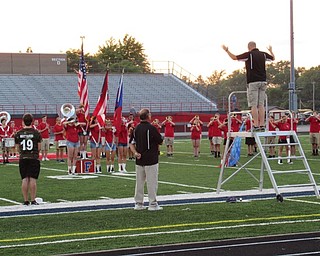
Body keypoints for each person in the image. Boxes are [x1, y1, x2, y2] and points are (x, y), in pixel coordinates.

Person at [222, 42, 275, 130]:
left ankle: (256, 124)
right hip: (263, 81)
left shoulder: (249, 54)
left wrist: (227, 50)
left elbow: (234, 57)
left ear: (249, 47)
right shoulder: (263, 54)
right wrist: (271, 51)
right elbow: (273, 58)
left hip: (253, 81)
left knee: (253, 105)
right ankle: (262, 123)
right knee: (261, 104)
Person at [129, 108, 163, 211]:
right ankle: (152, 203)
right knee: (152, 182)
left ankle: (138, 203)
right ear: (148, 116)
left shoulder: (136, 128)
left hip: (139, 159)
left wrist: (135, 153)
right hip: (151, 159)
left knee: (139, 182)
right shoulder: (151, 128)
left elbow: (131, 143)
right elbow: (160, 141)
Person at [14, 113, 42, 206]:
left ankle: (26, 200)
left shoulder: (18, 133)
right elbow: (39, 147)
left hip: (23, 157)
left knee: (24, 179)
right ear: (32, 121)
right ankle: (33, 199)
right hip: (33, 157)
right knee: (33, 179)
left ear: (23, 121)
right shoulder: (36, 133)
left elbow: (17, 148)